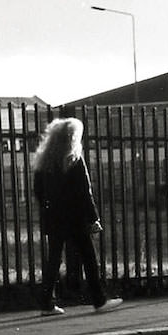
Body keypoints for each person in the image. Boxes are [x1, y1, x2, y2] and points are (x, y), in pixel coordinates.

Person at [32, 117, 122, 316]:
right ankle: (99, 300)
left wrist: (49, 208)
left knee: (54, 259)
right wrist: (93, 218)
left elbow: (38, 190)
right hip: (75, 218)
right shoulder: (74, 158)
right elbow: (84, 192)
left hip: (54, 217)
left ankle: (46, 303)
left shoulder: (44, 160)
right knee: (89, 258)